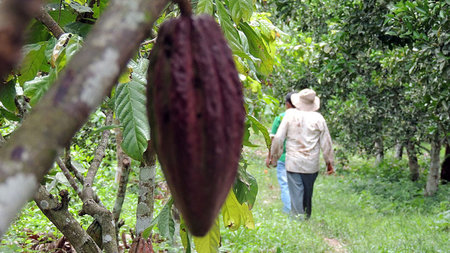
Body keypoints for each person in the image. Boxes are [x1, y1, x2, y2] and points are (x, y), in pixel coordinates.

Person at [270, 88, 334, 219]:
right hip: (311, 163)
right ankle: (304, 218)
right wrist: (329, 163)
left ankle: (298, 218)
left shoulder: (290, 115)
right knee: (307, 192)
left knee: (296, 192)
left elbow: (278, 138)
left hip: (293, 162)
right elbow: (326, 143)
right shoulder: (319, 118)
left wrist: (274, 156)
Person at [266, 92, 296, 214]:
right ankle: (298, 210)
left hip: (283, 158)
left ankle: (289, 210)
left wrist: (270, 157)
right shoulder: (303, 118)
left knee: (285, 185)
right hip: (299, 158)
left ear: (287, 104)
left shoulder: (281, 117)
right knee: (296, 186)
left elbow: (273, 139)